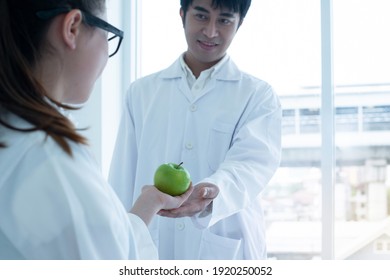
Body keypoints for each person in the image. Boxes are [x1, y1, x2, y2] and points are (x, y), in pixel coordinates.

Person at [0, 0, 193, 260]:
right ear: (72, 27)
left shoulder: (16, 134)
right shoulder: (51, 164)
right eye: (109, 35)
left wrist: (149, 205)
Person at [109, 0, 282, 260]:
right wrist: (117, 237)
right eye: (201, 16)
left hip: (225, 246)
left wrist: (212, 190)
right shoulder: (142, 92)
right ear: (182, 15)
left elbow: (252, 166)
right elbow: (123, 175)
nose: (211, 31)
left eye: (224, 20)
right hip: (153, 242)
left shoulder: (257, 95)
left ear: (239, 24)